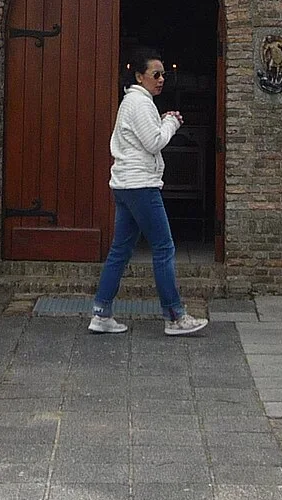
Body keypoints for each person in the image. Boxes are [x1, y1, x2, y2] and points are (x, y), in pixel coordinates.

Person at [89, 48, 208, 336]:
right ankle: (174, 316)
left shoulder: (136, 102)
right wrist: (171, 122)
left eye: (164, 74)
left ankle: (101, 313)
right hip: (140, 185)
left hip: (127, 185)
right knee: (164, 247)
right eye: (156, 74)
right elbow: (154, 142)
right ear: (140, 76)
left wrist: (164, 120)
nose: (161, 79)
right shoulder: (139, 104)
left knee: (121, 249)